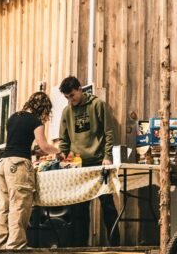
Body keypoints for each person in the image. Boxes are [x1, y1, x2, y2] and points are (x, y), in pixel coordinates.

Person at [0, 92, 62, 249]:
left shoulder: (13, 118)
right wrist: (58, 151)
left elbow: (16, 143)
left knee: (4, 206)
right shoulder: (35, 121)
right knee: (19, 205)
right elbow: (45, 146)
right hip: (18, 166)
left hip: (4, 163)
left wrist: (33, 152)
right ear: (43, 109)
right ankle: (16, 247)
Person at [57, 76, 118, 245]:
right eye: (67, 97)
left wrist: (107, 157)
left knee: (108, 206)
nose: (70, 100)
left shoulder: (97, 104)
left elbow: (109, 132)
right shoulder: (66, 112)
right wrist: (62, 156)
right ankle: (81, 246)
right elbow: (64, 140)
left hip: (99, 162)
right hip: (78, 165)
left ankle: (116, 244)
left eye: (72, 95)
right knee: (80, 209)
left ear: (80, 89)